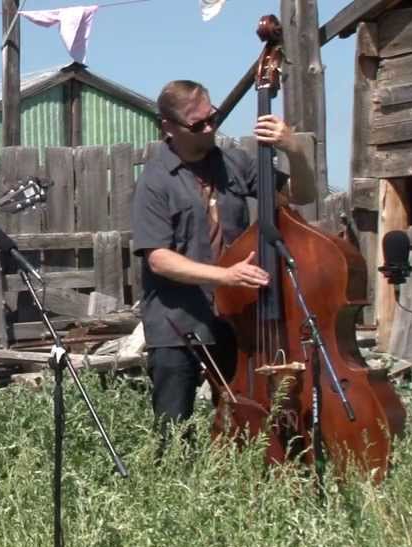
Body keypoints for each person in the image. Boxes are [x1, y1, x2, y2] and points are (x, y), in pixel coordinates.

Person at [132, 79, 318, 435]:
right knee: (173, 431)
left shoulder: (235, 162)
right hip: (178, 321)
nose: (209, 128)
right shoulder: (154, 181)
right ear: (168, 127)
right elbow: (158, 258)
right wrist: (225, 276)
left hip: (236, 317)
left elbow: (302, 196)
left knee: (244, 421)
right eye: (198, 124)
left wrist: (294, 150)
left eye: (212, 117)